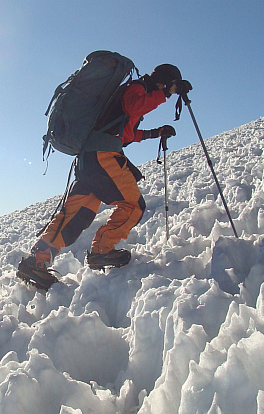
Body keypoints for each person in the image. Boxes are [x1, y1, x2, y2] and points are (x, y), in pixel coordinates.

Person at [17, 64, 192, 291]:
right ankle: (102, 251)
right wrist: (166, 93)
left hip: (88, 160)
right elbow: (133, 105)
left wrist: (155, 133)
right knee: (133, 204)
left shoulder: (131, 91)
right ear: (164, 82)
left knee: (75, 213)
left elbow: (126, 134)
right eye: (169, 88)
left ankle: (36, 262)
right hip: (102, 157)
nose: (168, 95)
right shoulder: (137, 88)